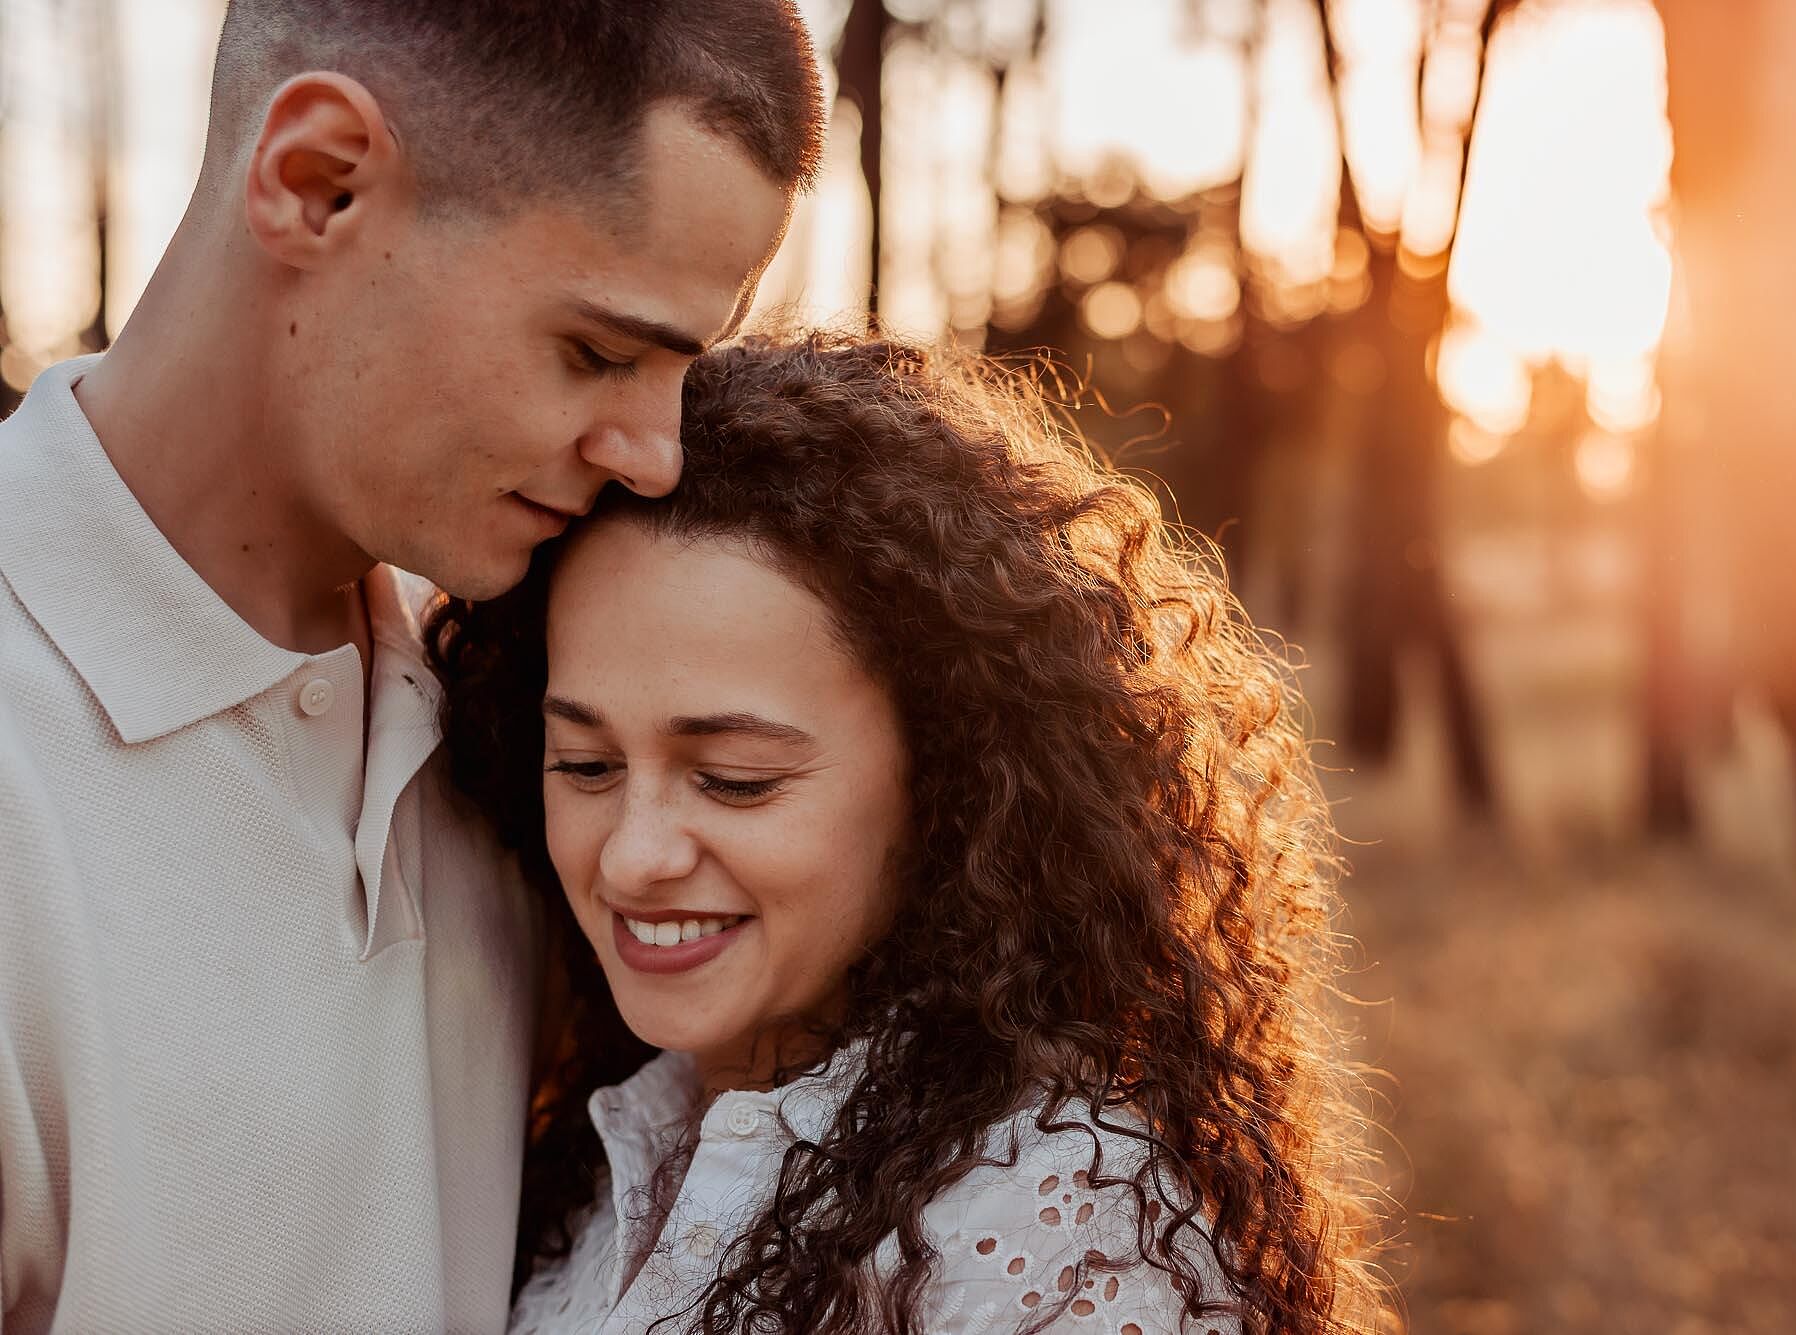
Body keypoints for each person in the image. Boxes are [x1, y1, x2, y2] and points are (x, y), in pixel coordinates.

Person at [0, 4, 822, 1330]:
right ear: (317, 182)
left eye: (681, 372)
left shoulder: (535, 717)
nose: (656, 455)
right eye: (598, 352)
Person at [428, 333, 1389, 1334]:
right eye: (586, 765)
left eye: (735, 780)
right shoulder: (599, 1135)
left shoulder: (1056, 1243)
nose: (633, 855)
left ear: (949, 782)